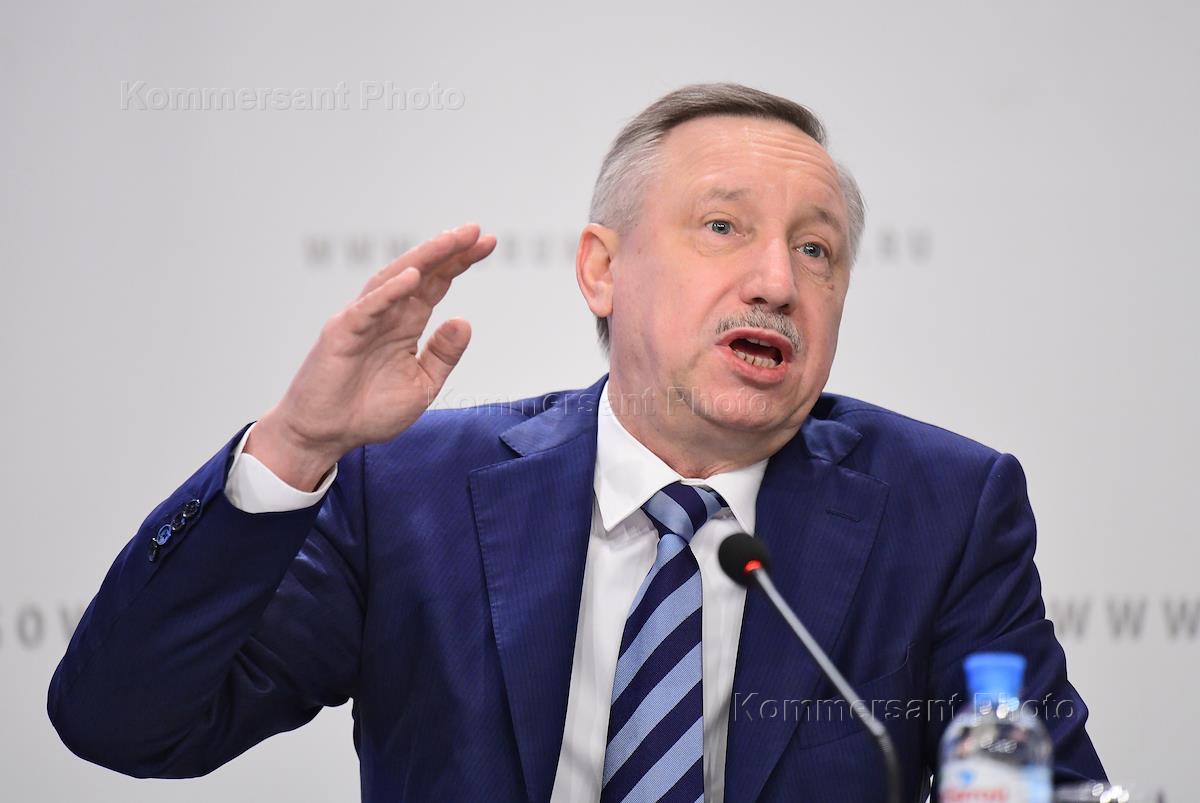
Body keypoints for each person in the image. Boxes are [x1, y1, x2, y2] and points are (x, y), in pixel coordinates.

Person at [47, 83, 1105, 802]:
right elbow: (123, 722)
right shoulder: (408, 491)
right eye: (724, 227)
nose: (778, 281)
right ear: (602, 268)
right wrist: (295, 444)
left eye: (817, 249)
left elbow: (1045, 779)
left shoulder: (943, 507)